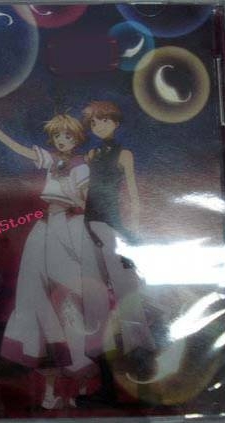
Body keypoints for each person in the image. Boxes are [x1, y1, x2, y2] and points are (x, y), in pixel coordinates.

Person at [0, 110, 97, 410]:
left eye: (67, 136)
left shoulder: (81, 166)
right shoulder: (53, 160)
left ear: (76, 138)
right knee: (34, 295)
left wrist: (72, 204)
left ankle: (77, 383)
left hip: (69, 226)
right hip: (46, 226)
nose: (62, 140)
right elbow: (20, 149)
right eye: (58, 136)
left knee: (69, 299)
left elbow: (85, 201)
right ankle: (51, 388)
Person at [77, 101, 156, 407]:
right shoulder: (92, 155)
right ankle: (106, 385)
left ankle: (143, 380)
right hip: (89, 226)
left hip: (112, 228)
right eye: (94, 123)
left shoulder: (125, 155)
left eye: (104, 121)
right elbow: (87, 192)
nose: (99, 126)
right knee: (95, 302)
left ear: (115, 123)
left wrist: (131, 237)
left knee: (127, 298)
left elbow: (133, 196)